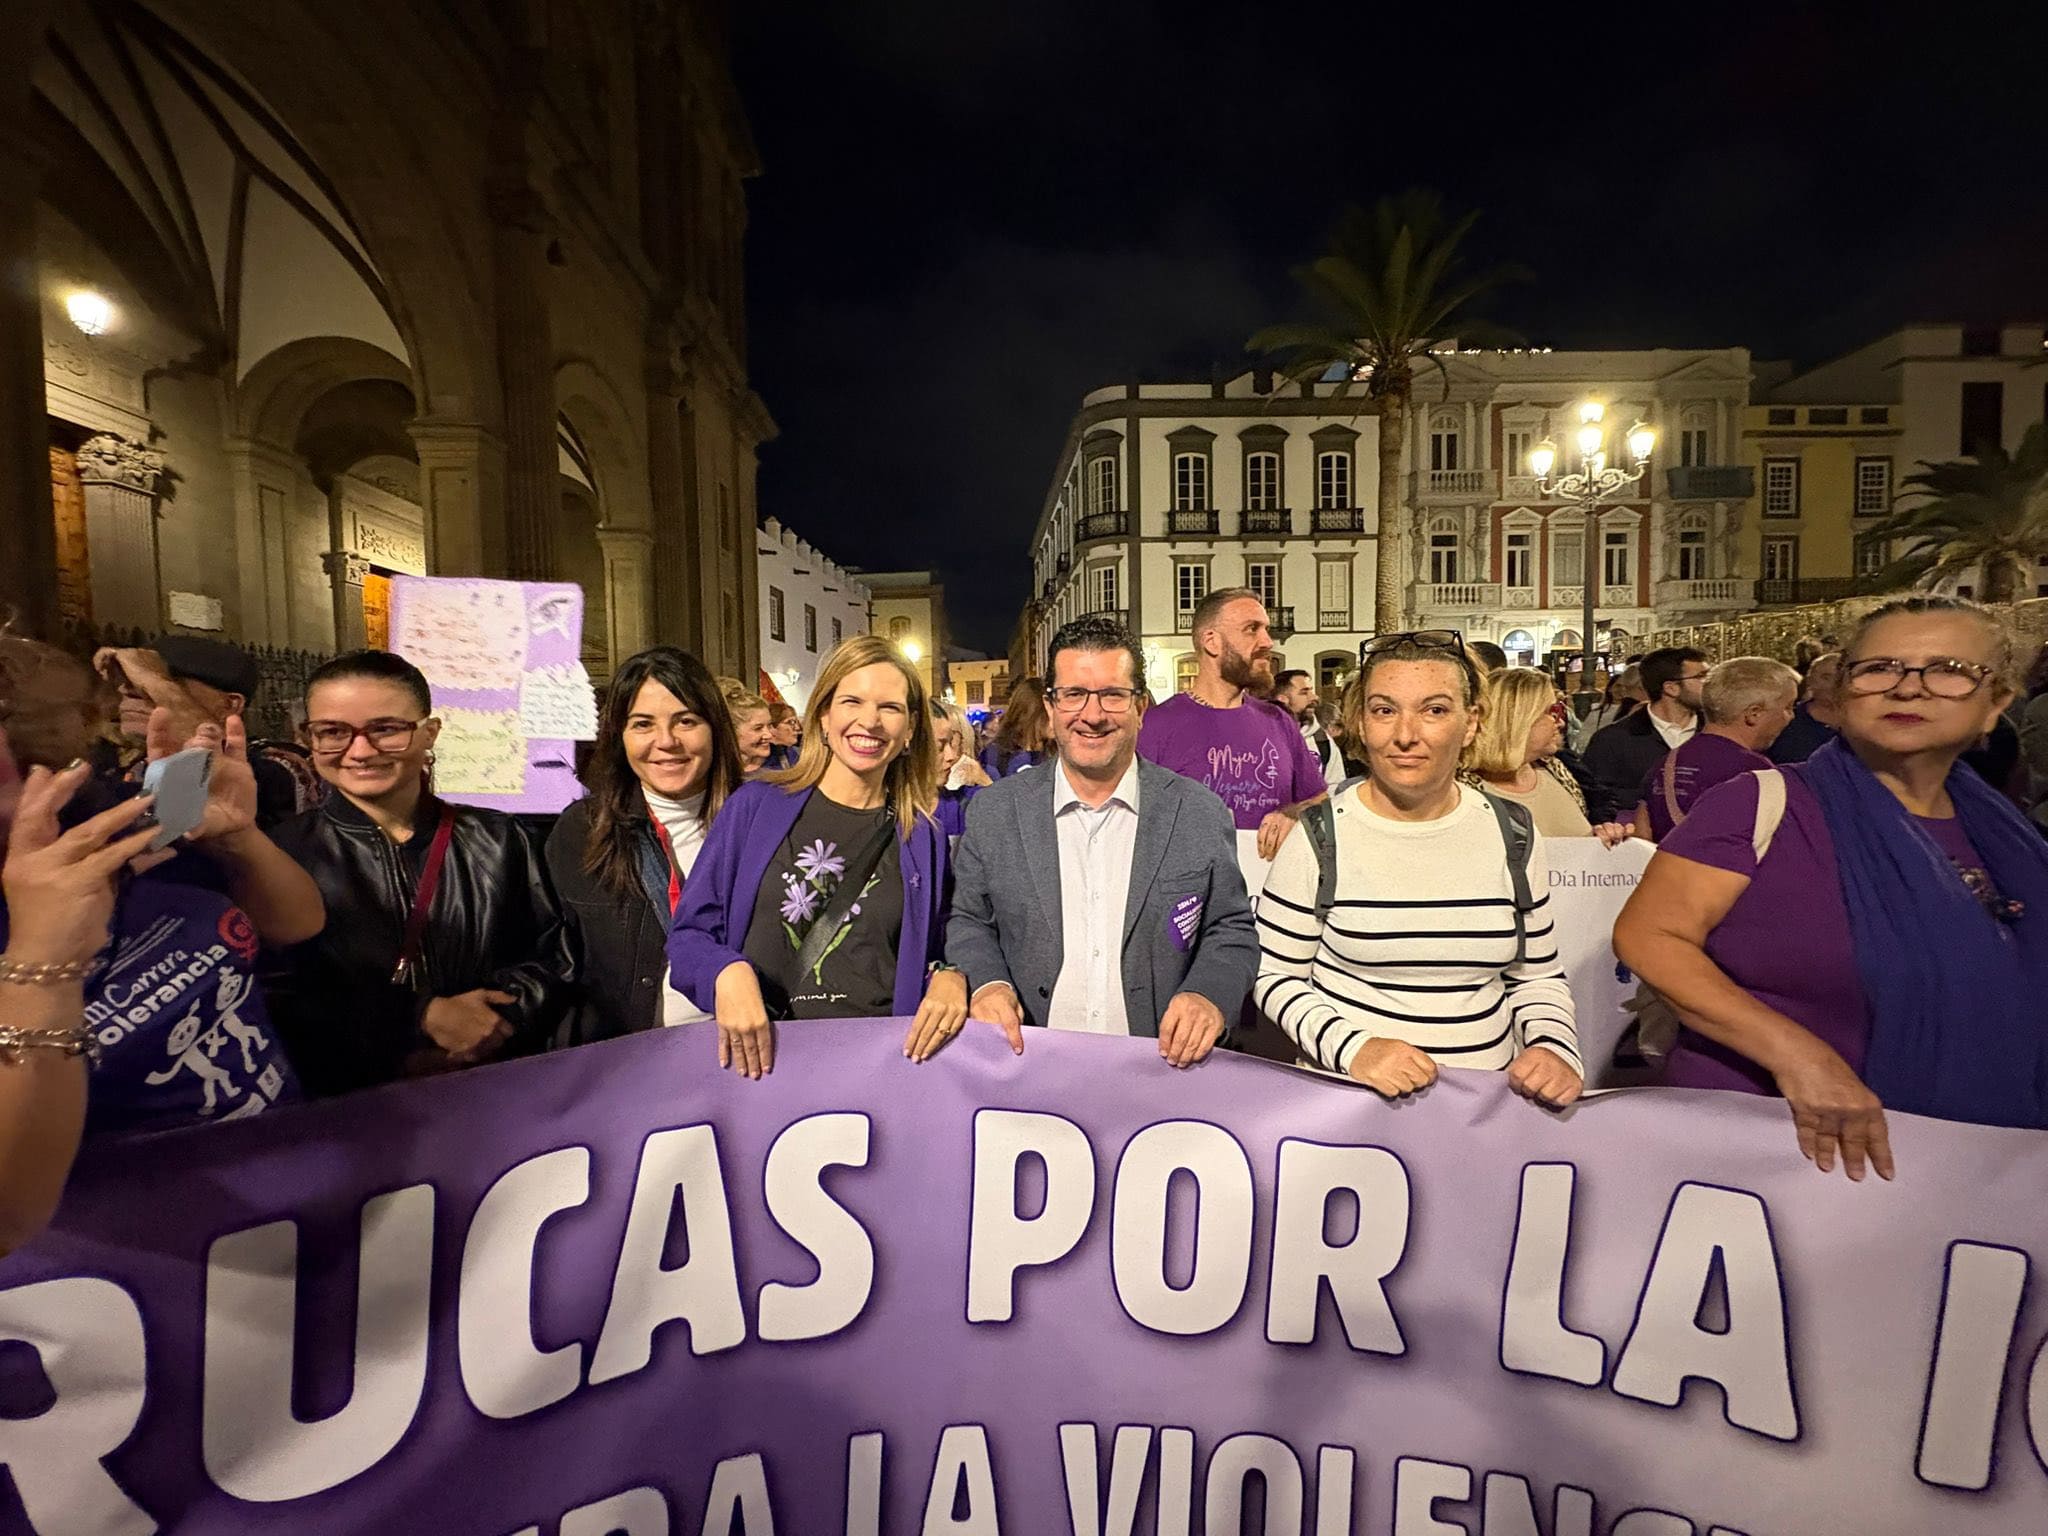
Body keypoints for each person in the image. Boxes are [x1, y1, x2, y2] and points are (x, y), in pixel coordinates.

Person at [1614, 597, 2048, 1180]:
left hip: (1973, 1162)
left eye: (1949, 670)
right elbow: (1649, 935)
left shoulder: (2012, 839)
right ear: (1842, 693)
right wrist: (1797, 1055)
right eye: (1879, 668)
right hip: (1776, 1153)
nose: (1907, 689)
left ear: (1996, 703)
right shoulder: (1761, 803)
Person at [0, 637, 322, 1204]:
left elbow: (297, 924)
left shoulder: (115, 815)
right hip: (129, 1240)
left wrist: (240, 840)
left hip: (289, 1167)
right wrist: (43, 958)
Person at [1253, 633, 1581, 1105]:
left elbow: (1537, 976)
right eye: (1384, 710)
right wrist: (1355, 1049)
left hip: (1484, 1111)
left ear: (1471, 723)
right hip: (1353, 1109)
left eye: (1434, 710)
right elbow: (1273, 974)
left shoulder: (1513, 832)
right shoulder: (1320, 836)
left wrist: (1553, 1047)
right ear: (1361, 724)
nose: (1406, 734)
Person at [947, 616, 1257, 1067]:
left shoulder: (1198, 813)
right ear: (1050, 709)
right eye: (1073, 694)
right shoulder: (996, 813)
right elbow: (969, 921)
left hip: (1158, 1074)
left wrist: (1207, 994)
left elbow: (1230, 928)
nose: (1092, 715)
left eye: (1112, 695)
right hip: (1029, 1070)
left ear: (1141, 707)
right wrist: (990, 984)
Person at [270, 650, 569, 1096]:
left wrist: (491, 1025)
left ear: (430, 733)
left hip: (494, 1093)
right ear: (308, 738)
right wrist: (417, 1020)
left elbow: (553, 955)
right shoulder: (278, 854)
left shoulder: (501, 839)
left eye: (386, 729)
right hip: (343, 1108)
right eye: (332, 732)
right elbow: (271, 992)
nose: (360, 751)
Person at [667, 635, 968, 1078]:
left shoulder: (922, 834)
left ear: (909, 731)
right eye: (852, 701)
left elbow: (936, 947)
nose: (870, 721)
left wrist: (949, 975)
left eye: (890, 707)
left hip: (877, 1069)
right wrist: (723, 973)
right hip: (764, 1067)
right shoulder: (756, 807)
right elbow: (689, 935)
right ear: (824, 716)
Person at [544, 647, 744, 1045]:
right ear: (619, 734)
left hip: (739, 1059)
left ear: (715, 728)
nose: (666, 741)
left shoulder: (758, 823)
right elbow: (553, 964)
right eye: (643, 724)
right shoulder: (582, 831)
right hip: (625, 1067)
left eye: (686, 721)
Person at [1137, 588, 1327, 862]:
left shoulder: (1279, 721)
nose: (1267, 641)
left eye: (1266, 629)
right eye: (1252, 629)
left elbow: (1319, 798)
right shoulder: (1154, 727)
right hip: (1189, 899)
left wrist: (1294, 814)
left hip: (1271, 896)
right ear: (1212, 642)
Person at [93, 636, 324, 827]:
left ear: (230, 705)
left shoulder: (278, 765)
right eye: (129, 680)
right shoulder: (114, 763)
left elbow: (224, 770)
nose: (130, 690)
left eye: (166, 681)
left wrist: (154, 681)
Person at [1634, 657, 1800, 842]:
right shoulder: (1755, 771)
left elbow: (1642, 835)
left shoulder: (1664, 764)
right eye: (1788, 707)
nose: (1792, 716)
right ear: (1754, 713)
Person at [1460, 667, 1630, 843]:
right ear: (1518, 719)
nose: (1561, 722)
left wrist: (1603, 833)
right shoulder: (1458, 790)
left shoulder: (1557, 768)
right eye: (1552, 712)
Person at [1581, 648, 1707, 821]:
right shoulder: (1613, 739)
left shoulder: (1716, 733)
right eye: (1701, 677)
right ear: (1671, 688)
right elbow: (1595, 799)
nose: (1710, 684)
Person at [932, 699, 992, 843]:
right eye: (940, 746)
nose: (951, 756)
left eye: (951, 742)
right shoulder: (890, 811)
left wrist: (983, 780)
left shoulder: (962, 803)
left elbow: (1005, 812)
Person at [1275, 668, 1346, 789]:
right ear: (1282, 699)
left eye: (1311, 691)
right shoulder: (1261, 738)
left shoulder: (1322, 740)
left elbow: (1335, 786)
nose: (1315, 697)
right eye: (1304, 692)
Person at [1766, 652, 1842, 765]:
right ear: (1810, 680)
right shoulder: (1784, 722)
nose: (1834, 684)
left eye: (1841, 677)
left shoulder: (1867, 723)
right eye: (1826, 677)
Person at [980, 678, 1049, 778]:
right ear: (1028, 715)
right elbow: (993, 790)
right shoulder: (998, 753)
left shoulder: (1059, 751)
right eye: (1046, 715)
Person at [1571, 664, 1646, 753]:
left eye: (1625, 687)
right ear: (1610, 688)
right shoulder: (1597, 713)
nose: (1622, 690)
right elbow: (1584, 738)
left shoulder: (1637, 709)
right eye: (1618, 686)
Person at [721, 680, 777, 777]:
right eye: (758, 728)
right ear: (731, 732)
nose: (769, 735)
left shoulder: (790, 759)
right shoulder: (714, 774)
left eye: (769, 725)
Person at [764, 702, 801, 770]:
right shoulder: (762, 761)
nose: (797, 727)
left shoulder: (796, 754)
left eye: (796, 722)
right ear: (771, 727)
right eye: (790, 722)